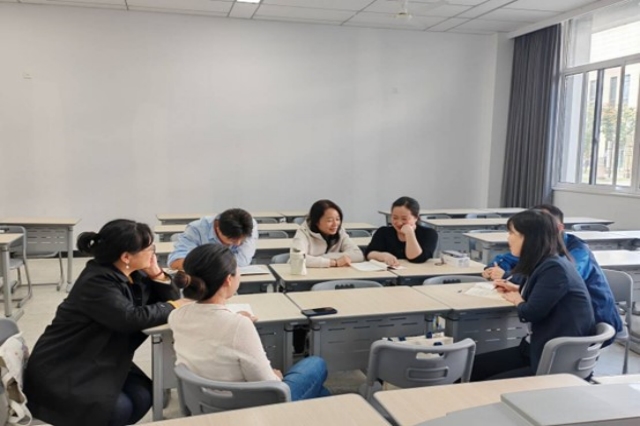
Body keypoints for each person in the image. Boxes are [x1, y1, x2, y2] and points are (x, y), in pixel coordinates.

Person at [24, 219, 190, 426]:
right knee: (118, 409)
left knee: (143, 395)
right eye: (149, 249)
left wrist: (157, 274)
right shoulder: (96, 281)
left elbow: (168, 298)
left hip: (102, 355)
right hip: (66, 363)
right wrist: (173, 306)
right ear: (126, 257)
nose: (153, 253)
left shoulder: (134, 273)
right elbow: (129, 318)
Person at [169, 244, 330, 400]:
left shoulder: (176, 316)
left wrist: (235, 319)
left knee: (319, 392)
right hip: (249, 406)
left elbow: (210, 323)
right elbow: (268, 384)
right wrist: (275, 376)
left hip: (203, 401)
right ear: (228, 280)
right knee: (316, 364)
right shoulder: (238, 326)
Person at [471, 210, 595, 381]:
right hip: (536, 349)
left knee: (484, 384)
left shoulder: (554, 268)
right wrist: (517, 288)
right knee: (471, 367)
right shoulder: (545, 262)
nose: (508, 238)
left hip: (555, 360)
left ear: (529, 238)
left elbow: (531, 313)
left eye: (512, 233)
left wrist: (517, 299)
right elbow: (544, 295)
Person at [482, 204, 622, 341]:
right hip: (562, 325)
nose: (508, 238)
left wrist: (511, 283)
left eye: (512, 233)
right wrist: (499, 273)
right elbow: (508, 259)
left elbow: (550, 285)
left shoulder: (568, 257)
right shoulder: (542, 254)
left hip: (587, 322)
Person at [168, 208, 258, 269]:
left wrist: (205, 263)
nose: (238, 243)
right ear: (218, 229)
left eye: (242, 239)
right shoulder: (196, 230)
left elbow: (242, 261)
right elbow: (175, 262)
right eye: (232, 240)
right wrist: (213, 266)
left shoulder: (247, 225)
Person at [365, 196, 438, 266]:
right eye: (395, 218)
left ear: (416, 218)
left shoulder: (429, 234)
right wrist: (383, 256)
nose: (399, 223)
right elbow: (369, 254)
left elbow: (417, 259)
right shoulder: (383, 232)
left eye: (404, 219)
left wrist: (410, 233)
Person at [291, 199, 364, 268]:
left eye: (337, 219)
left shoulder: (340, 232)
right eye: (330, 220)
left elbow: (358, 255)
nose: (335, 224)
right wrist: (334, 262)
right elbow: (297, 259)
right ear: (316, 222)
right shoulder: (303, 233)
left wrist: (323, 258)